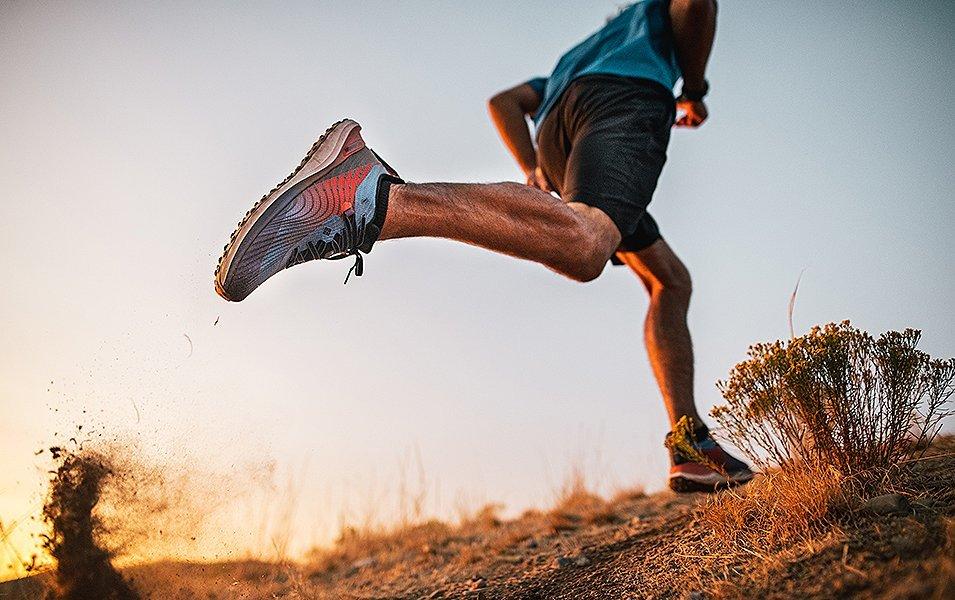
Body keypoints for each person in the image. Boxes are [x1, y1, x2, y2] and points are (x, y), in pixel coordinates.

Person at [214, 0, 753, 492]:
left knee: (668, 278)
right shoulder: (648, 33)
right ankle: (375, 200)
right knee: (587, 247)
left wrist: (533, 167)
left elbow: (505, 102)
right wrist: (695, 91)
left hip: (560, 129)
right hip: (626, 105)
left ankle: (690, 443)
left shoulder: (581, 55)